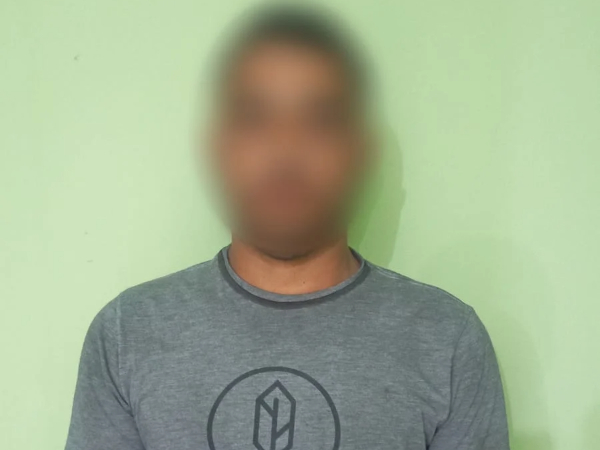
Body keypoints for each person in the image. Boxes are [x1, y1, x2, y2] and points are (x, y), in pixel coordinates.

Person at [64, 4, 510, 450]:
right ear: (220, 148)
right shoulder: (128, 334)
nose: (286, 150)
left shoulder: (447, 340)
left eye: (320, 121)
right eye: (255, 119)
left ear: (360, 153)